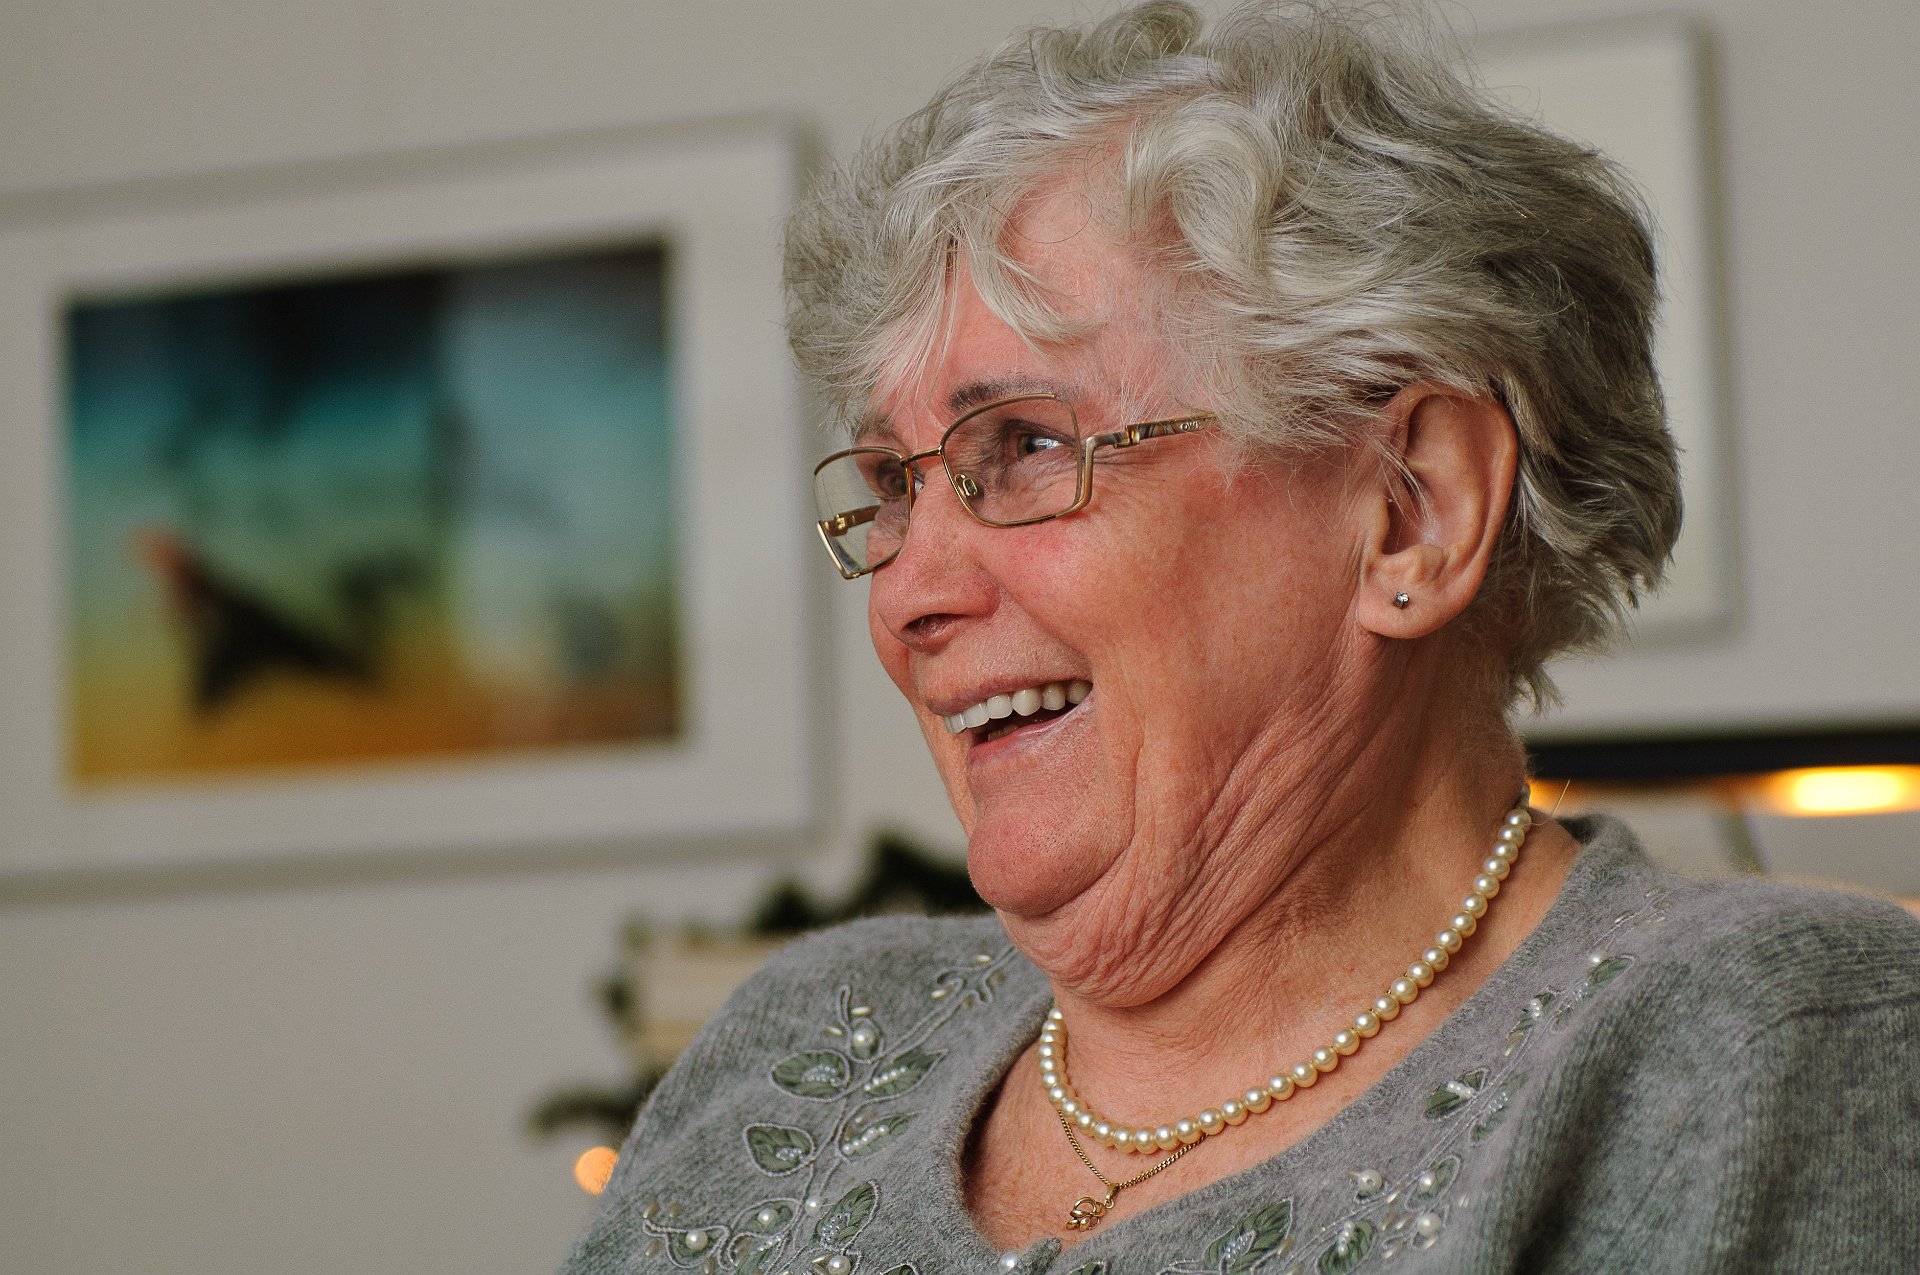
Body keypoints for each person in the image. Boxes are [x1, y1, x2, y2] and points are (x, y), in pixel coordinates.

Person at [562, 3, 1920, 1271]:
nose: (908, 593)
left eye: (1023, 447)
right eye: (893, 485)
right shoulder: (800, 1038)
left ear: (1411, 510)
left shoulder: (1768, 1049)